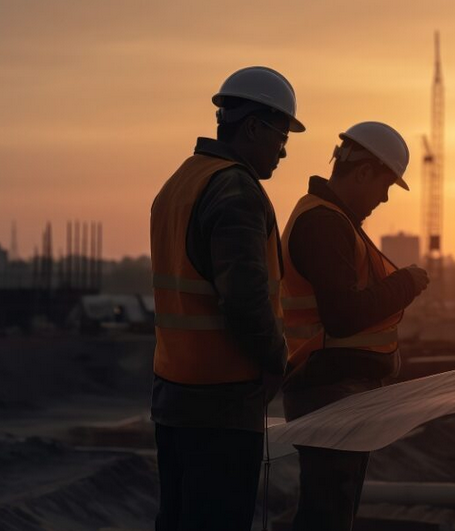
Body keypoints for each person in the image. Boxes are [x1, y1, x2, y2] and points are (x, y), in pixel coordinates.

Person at [150, 66, 305, 531]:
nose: (283, 150)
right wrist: (277, 361)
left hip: (174, 395)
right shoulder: (236, 189)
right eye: (282, 136)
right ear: (254, 127)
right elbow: (245, 300)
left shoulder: (180, 183)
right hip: (221, 404)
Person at [280, 122, 430, 531]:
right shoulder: (325, 225)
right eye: (385, 186)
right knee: (327, 515)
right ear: (364, 172)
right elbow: (343, 316)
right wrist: (406, 283)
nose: (383, 198)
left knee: (331, 510)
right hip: (329, 392)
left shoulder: (331, 220)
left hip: (335, 391)